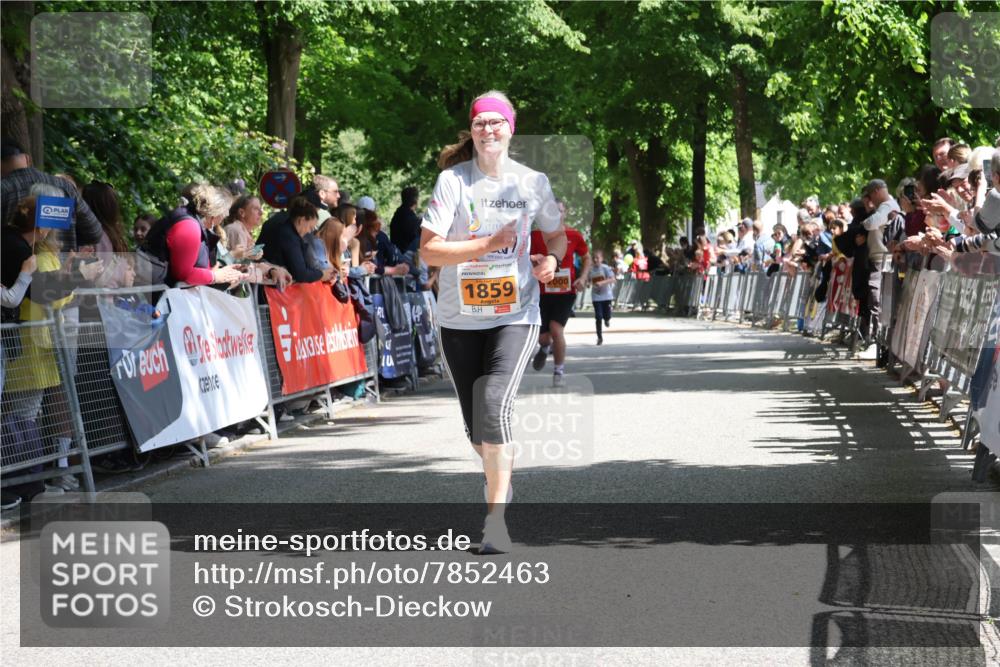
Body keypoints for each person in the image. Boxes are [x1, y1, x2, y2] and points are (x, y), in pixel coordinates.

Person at [419, 90, 566, 554]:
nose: (488, 129)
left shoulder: (532, 182)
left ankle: (496, 522)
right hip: (458, 316)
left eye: (496, 122)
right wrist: (485, 245)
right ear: (473, 130)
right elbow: (428, 250)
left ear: (510, 129)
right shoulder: (452, 183)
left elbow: (558, 237)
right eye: (480, 123)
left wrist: (551, 263)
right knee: (476, 426)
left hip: (515, 314)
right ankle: (498, 467)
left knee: (494, 406)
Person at [0, 139, 102, 251]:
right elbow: (94, 233)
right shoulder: (65, 187)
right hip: (64, 265)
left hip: (18, 266)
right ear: (28, 159)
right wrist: (68, 238)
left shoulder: (4, 190)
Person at [529, 201, 590, 386]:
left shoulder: (573, 234)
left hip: (565, 291)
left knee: (556, 329)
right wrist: (534, 261)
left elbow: (586, 257)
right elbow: (525, 257)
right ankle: (545, 346)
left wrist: (583, 277)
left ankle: (558, 372)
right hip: (541, 291)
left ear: (565, 213)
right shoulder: (535, 235)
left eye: (560, 211)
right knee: (543, 337)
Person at [143, 183, 246, 287]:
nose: (227, 214)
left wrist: (223, 273)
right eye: (226, 211)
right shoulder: (189, 227)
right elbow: (183, 274)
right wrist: (214, 276)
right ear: (215, 213)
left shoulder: (193, 221)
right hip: (154, 293)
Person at [258, 197, 336, 284]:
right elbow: (301, 273)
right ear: (301, 220)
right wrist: (321, 274)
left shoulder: (285, 225)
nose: (310, 231)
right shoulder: (289, 236)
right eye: (310, 227)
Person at [358, 209, 409, 277]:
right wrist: (394, 270)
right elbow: (372, 267)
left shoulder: (366, 242)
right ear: (367, 228)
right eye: (375, 228)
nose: (377, 233)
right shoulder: (363, 243)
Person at [589, 250, 615, 345]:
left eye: (598, 258)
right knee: (598, 317)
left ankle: (607, 319)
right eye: (594, 258)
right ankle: (599, 337)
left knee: (606, 315)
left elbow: (613, 279)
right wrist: (587, 283)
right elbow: (588, 280)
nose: (595, 260)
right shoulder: (590, 270)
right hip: (596, 297)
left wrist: (602, 282)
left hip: (607, 296)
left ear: (602, 259)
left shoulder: (606, 268)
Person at [390, 186, 422, 253]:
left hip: (397, 252)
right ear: (415, 200)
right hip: (407, 256)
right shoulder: (412, 220)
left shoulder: (397, 215)